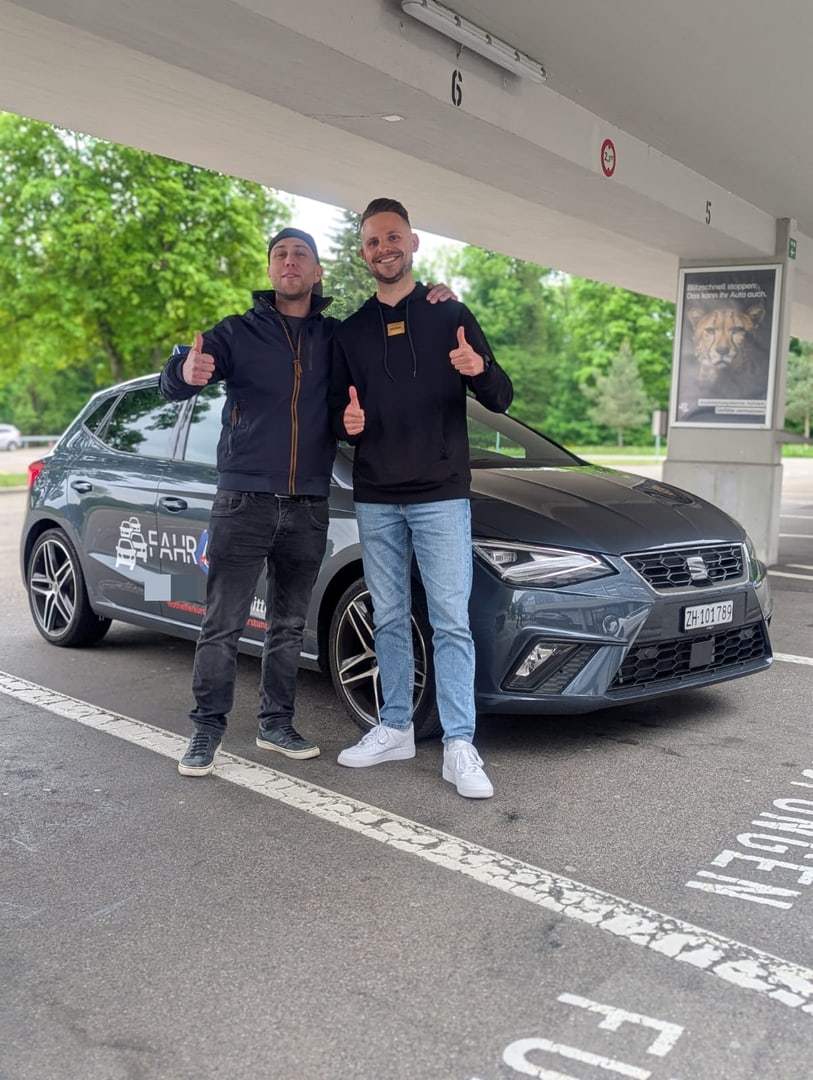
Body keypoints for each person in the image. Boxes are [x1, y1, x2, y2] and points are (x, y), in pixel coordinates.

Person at [160, 226, 455, 777]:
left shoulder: (335, 337)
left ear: (317, 272)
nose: (290, 261)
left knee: (289, 626)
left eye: (301, 254)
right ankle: (206, 731)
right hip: (243, 500)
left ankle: (276, 724)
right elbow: (178, 377)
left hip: (307, 504)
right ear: (271, 270)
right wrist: (183, 371)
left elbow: (381, 361)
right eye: (280, 254)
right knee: (222, 624)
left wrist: (437, 299)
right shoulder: (236, 332)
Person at [330, 198, 513, 799]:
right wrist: (344, 424)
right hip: (376, 495)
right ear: (363, 253)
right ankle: (395, 727)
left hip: (440, 494)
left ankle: (459, 743)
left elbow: (501, 396)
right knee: (387, 616)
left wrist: (477, 366)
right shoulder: (351, 331)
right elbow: (336, 412)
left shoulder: (448, 311)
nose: (383, 249)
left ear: (412, 242)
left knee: (449, 621)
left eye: (392, 237)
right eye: (372, 241)